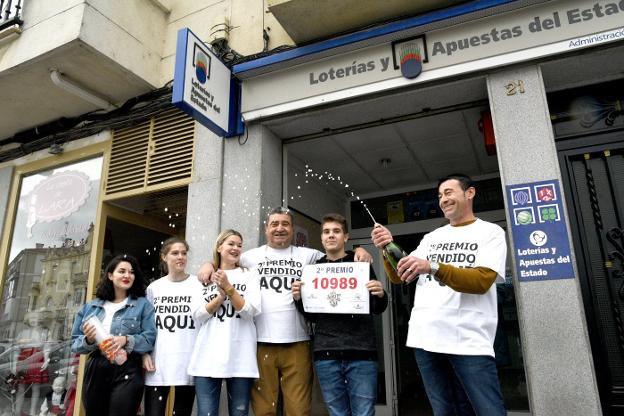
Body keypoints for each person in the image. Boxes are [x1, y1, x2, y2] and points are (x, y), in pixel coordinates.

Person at [198, 206, 372, 416]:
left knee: (298, 410)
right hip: (261, 342)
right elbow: (227, 259)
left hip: (298, 342)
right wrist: (208, 264)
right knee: (264, 410)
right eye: (274, 224)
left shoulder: (309, 256)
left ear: (292, 229)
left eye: (285, 224)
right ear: (266, 229)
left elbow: (336, 254)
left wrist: (359, 249)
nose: (279, 228)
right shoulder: (250, 257)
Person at [371, 174, 507, 416]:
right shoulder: (432, 237)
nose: (443, 199)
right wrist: (386, 248)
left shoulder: (490, 232)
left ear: (470, 193)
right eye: (440, 195)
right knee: (444, 410)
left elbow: (482, 281)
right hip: (426, 340)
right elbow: (401, 275)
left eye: (449, 192)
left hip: (469, 341)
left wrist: (433, 266)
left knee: (488, 410)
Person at [292, 213, 388, 416]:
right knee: (337, 413)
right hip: (326, 354)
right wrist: (299, 299)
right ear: (321, 238)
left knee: (364, 412)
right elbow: (312, 317)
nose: (331, 235)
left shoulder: (360, 264)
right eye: (326, 232)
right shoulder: (314, 270)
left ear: (346, 237)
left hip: (361, 352)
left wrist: (381, 294)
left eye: (336, 231)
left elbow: (377, 307)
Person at [70, 254, 156, 416]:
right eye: (121, 271)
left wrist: (125, 340)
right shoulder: (91, 307)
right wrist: (88, 339)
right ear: (110, 275)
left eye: (131, 272)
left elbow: (149, 339)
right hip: (97, 367)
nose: (127, 275)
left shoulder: (143, 305)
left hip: (128, 368)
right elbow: (75, 343)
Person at [188, 229, 261, 416]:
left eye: (239, 245)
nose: (236, 248)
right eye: (231, 244)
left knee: (239, 413)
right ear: (219, 247)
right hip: (207, 355)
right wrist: (219, 298)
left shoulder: (250, 275)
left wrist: (229, 288)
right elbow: (197, 314)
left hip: (240, 356)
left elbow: (249, 312)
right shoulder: (204, 277)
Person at [142, 237, 203, 416]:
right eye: (175, 253)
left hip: (188, 362)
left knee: (182, 412)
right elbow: (146, 325)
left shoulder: (198, 285)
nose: (180, 257)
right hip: (158, 363)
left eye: (184, 253)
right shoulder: (154, 288)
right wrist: (144, 353)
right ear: (164, 257)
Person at [13, 310, 51, 416]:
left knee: (35, 387)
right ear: (28, 320)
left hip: (37, 358)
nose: (34, 320)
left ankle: (33, 411)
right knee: (21, 387)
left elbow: (47, 347)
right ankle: (17, 411)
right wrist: (14, 363)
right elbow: (16, 348)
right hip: (23, 359)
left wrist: (47, 359)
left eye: (36, 318)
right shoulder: (22, 333)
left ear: (40, 319)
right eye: (32, 318)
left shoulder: (44, 333)